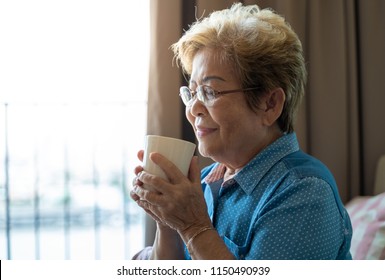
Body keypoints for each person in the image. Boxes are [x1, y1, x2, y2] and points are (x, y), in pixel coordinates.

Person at [130, 3, 352, 260]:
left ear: (270, 104)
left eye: (210, 92)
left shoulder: (305, 192)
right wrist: (167, 220)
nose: (194, 109)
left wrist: (194, 228)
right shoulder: (200, 185)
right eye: (191, 93)